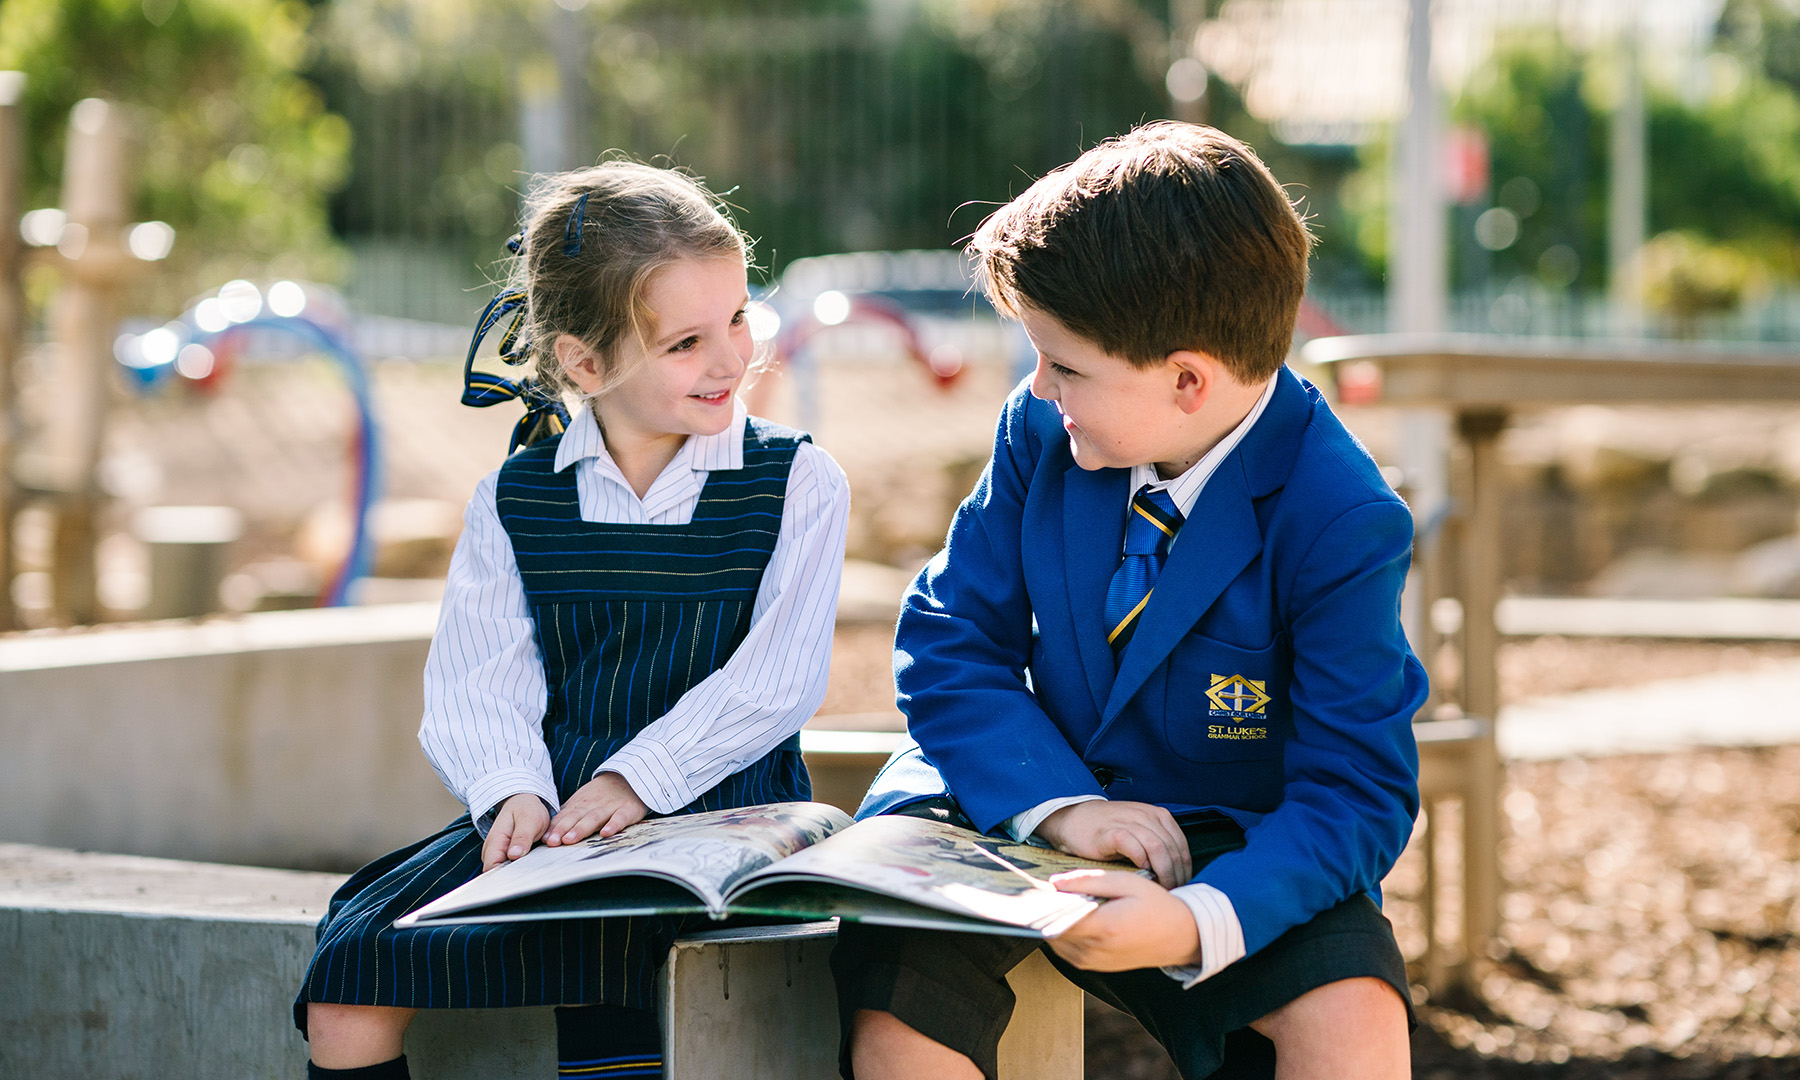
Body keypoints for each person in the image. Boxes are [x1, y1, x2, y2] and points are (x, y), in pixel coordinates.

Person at [831, 121, 1428, 1080]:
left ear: (1187, 379)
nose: (1038, 386)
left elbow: (1356, 793)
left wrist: (1197, 918)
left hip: (1227, 839)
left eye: (1064, 365)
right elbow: (949, 637)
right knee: (898, 1006)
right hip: (1004, 800)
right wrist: (1059, 806)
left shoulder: (1342, 516)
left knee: (1354, 1015)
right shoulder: (1044, 427)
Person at [295, 162, 849, 1080]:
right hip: (552, 818)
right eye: (684, 343)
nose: (731, 359)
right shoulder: (517, 500)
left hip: (721, 810)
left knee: (622, 995)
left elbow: (777, 681)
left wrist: (638, 781)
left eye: (740, 318)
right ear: (585, 364)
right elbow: (478, 682)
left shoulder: (795, 482)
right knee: (349, 978)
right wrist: (511, 792)